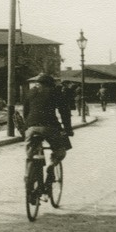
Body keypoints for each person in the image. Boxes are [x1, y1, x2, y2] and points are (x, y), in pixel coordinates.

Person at [22, 73, 74, 201]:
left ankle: (29, 179)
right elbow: (64, 112)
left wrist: (27, 128)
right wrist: (68, 129)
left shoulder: (30, 92)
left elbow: (25, 112)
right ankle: (52, 164)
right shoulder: (55, 92)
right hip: (50, 127)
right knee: (61, 150)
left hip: (31, 128)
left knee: (30, 156)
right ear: (51, 84)